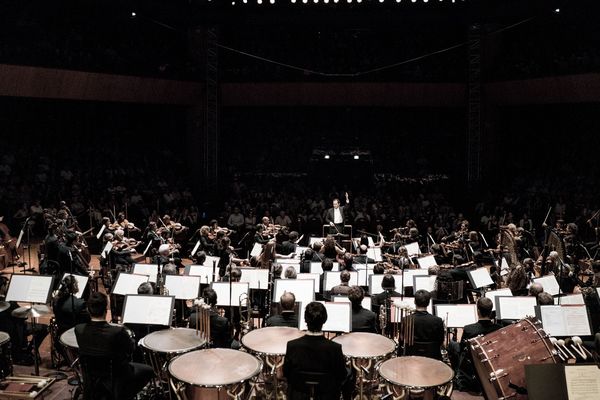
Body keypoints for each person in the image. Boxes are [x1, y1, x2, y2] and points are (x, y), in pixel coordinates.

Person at [74, 292, 153, 400]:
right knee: (148, 370)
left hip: (91, 378)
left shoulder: (78, 329)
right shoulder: (118, 331)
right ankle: (125, 395)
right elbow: (131, 349)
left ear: (88, 310)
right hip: (116, 378)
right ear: (106, 310)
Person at [283, 302, 350, 400]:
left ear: (305, 320)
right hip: (327, 396)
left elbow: (286, 373)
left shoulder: (292, 345)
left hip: (299, 395)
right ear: (325, 320)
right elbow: (341, 375)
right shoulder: (335, 348)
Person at [450, 297, 501, 392]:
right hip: (490, 360)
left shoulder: (469, 329)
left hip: (473, 362)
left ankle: (456, 374)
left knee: (452, 344)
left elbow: (461, 349)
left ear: (478, 311)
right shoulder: (498, 328)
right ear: (490, 311)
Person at [405, 289, 445, 360]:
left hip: (411, 358)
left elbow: (404, 340)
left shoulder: (406, 320)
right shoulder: (438, 320)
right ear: (429, 303)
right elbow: (440, 341)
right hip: (433, 358)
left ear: (414, 302)